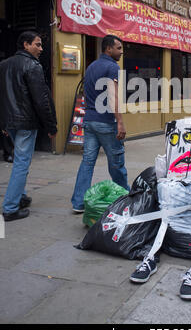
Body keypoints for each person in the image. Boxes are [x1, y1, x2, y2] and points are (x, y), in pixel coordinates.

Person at [0, 31, 57, 221]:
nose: (41, 49)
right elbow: (41, 100)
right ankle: (10, 208)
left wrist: (3, 122)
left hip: (11, 121)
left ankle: (20, 196)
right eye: (37, 44)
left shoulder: (4, 65)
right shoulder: (32, 66)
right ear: (25, 44)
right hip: (25, 122)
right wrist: (51, 126)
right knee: (22, 163)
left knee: (19, 160)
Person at [71, 35, 130, 214]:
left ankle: (78, 202)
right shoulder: (112, 67)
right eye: (118, 48)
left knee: (87, 162)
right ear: (108, 49)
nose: (121, 51)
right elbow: (113, 97)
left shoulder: (92, 66)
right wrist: (120, 122)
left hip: (89, 120)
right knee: (117, 163)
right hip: (106, 122)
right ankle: (126, 199)